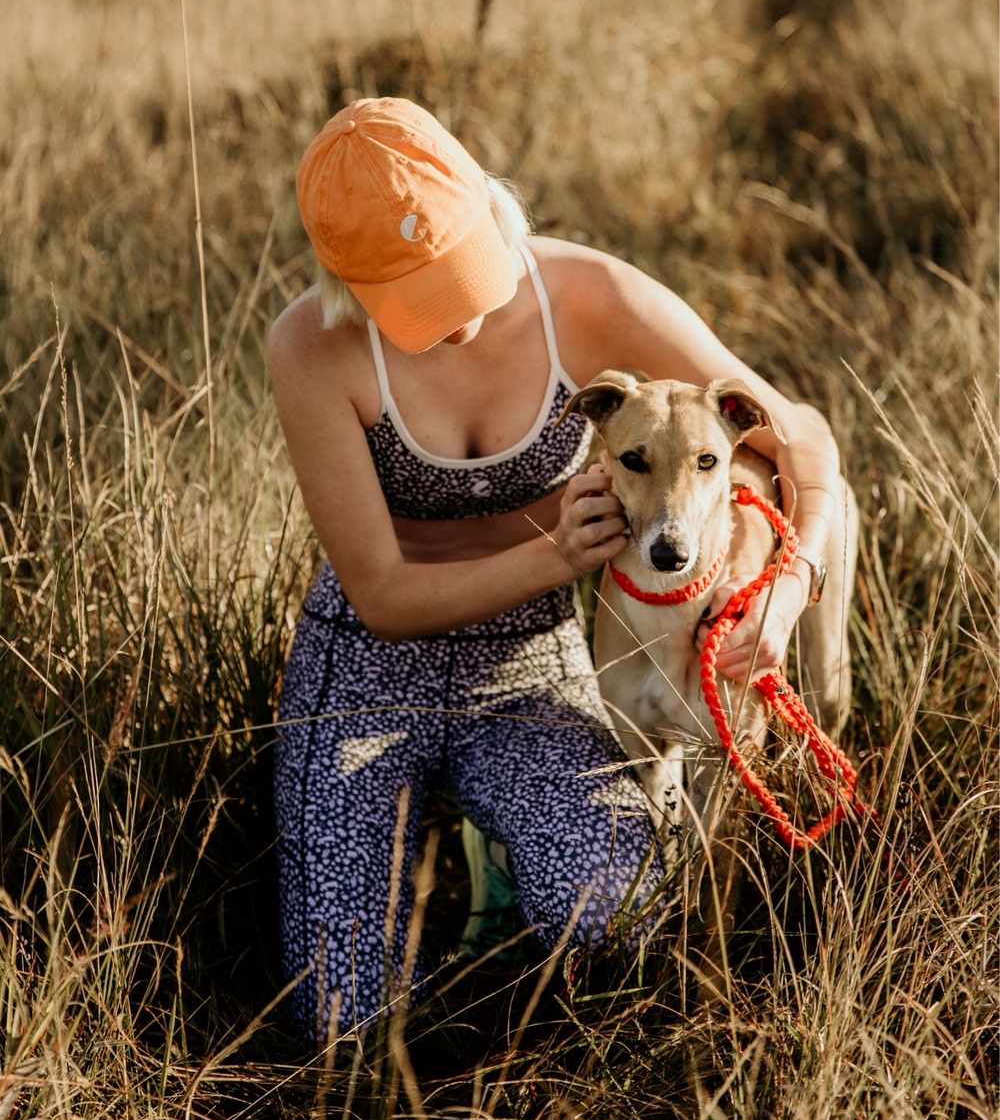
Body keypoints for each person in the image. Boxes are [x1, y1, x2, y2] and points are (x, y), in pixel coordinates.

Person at [268, 96, 847, 1046]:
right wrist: (554, 555)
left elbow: (802, 435)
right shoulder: (308, 347)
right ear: (346, 280)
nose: (453, 314)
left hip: (529, 658)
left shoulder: (583, 295)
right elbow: (382, 594)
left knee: (624, 917)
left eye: (460, 272)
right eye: (414, 293)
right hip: (363, 670)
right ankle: (455, 891)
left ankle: (510, 888)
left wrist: (788, 589)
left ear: (491, 211)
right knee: (342, 1022)